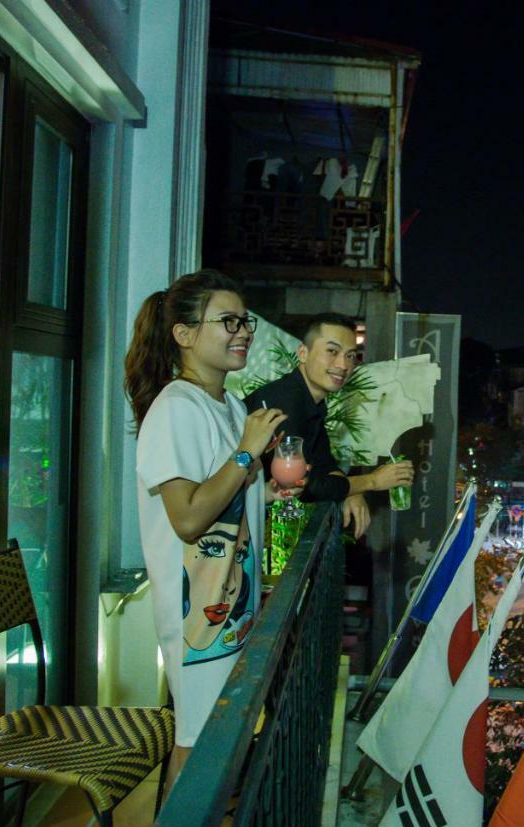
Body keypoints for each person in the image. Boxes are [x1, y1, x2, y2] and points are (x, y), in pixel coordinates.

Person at [124, 269, 296, 785]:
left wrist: (268, 488)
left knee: (215, 741)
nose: (242, 331)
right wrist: (247, 451)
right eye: (227, 321)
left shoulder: (228, 405)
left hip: (228, 601)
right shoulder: (176, 408)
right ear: (184, 334)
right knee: (196, 745)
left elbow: (222, 496)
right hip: (197, 612)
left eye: (246, 321)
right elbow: (190, 517)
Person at [244, 312, 413, 536]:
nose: (343, 365)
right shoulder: (286, 403)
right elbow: (301, 485)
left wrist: (351, 491)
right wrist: (372, 481)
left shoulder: (309, 401)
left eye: (351, 355)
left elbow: (325, 464)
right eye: (332, 351)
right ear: (303, 353)